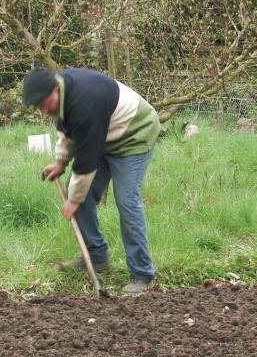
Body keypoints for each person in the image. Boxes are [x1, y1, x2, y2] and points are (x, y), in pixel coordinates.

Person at [22, 66, 160, 294]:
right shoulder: (64, 95)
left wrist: (74, 200)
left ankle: (143, 273)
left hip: (134, 133)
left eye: (44, 104)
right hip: (105, 135)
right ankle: (96, 258)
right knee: (78, 191)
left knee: (126, 200)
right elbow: (67, 132)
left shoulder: (85, 100)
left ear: (56, 88)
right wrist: (60, 163)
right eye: (39, 107)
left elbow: (86, 160)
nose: (43, 111)